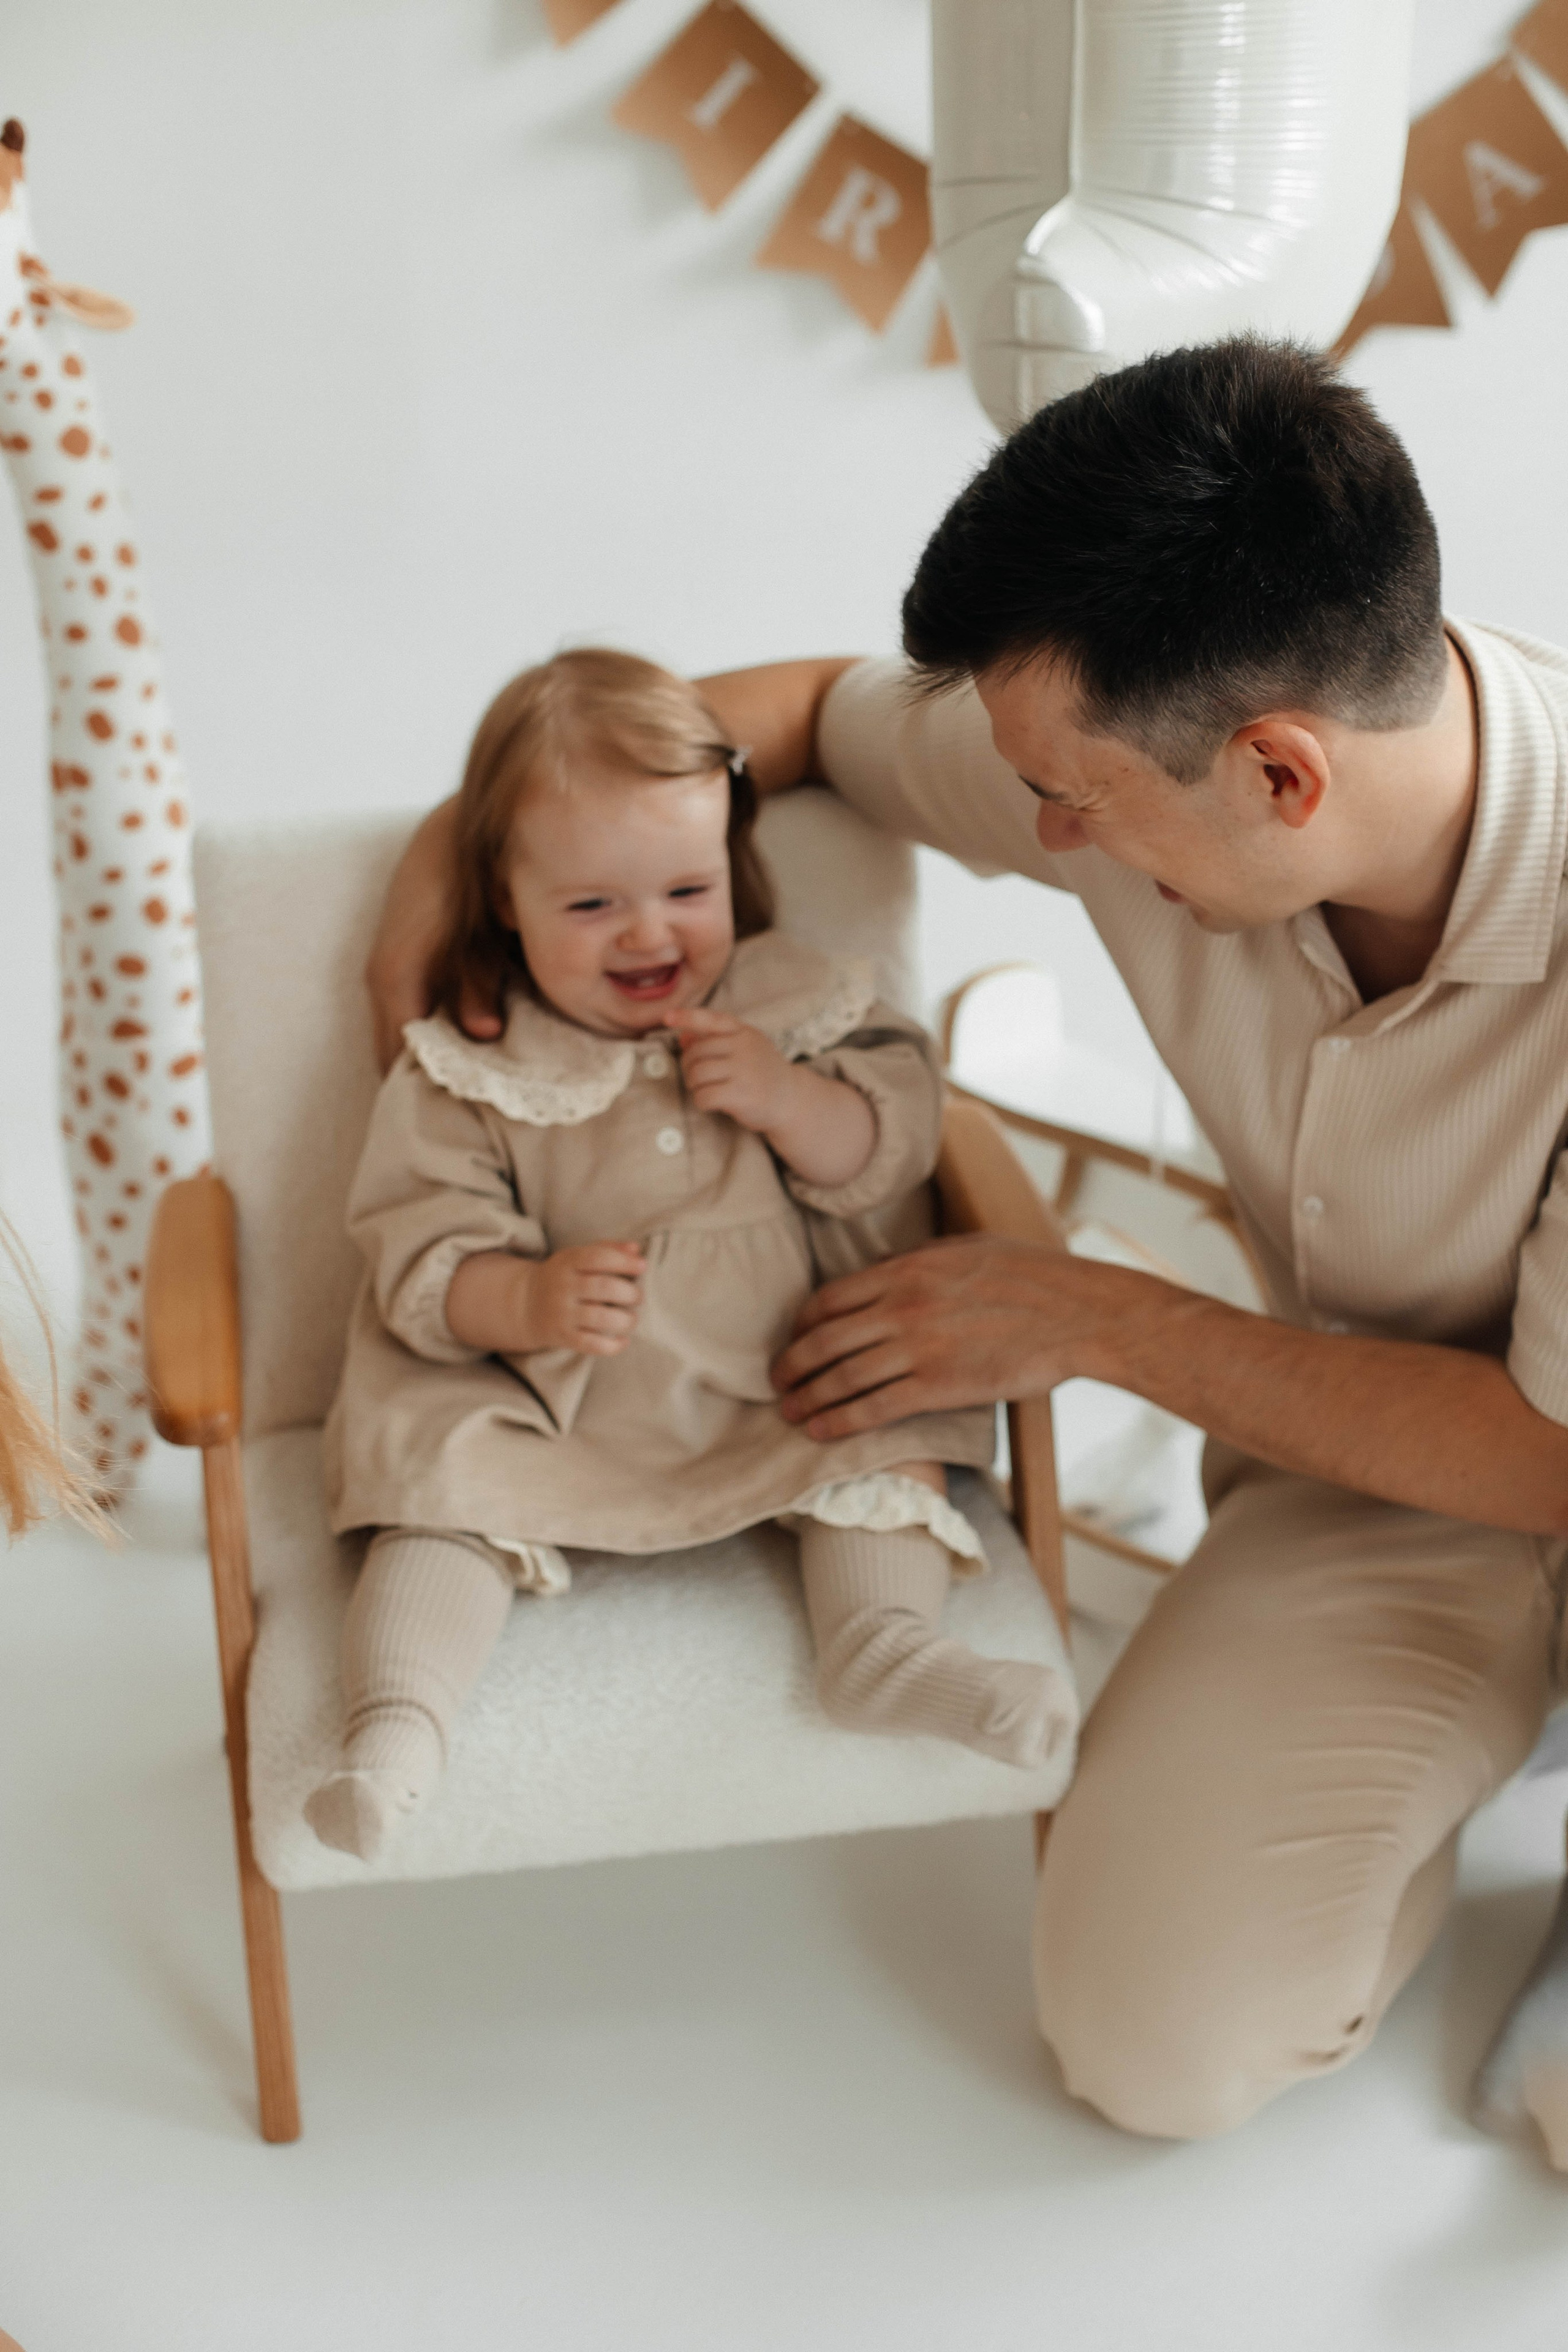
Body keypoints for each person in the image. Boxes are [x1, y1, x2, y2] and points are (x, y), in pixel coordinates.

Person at [364, 339, 1568, 2159]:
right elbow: (779, 717)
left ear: (1281, 777)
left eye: (1077, 808)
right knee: (1151, 2048)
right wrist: (444, 878)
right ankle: (1478, 1742)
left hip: (1531, 1448)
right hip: (1398, 1473)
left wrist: (1088, 1318)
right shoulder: (1131, 732)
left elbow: (1547, 1447)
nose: (1048, 837)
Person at [307, 647, 1075, 1863]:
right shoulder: (474, 1055)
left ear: (732, 858)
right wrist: (526, 1296)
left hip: (782, 1374)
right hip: (548, 1397)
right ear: (503, 900)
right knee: (438, 1492)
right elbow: (418, 1243)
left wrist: (786, 1100)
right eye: (590, 906)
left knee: (875, 1434)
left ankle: (886, 1655)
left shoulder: (793, 995)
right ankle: (394, 1731)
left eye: (684, 887)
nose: (647, 934)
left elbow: (895, 1140)